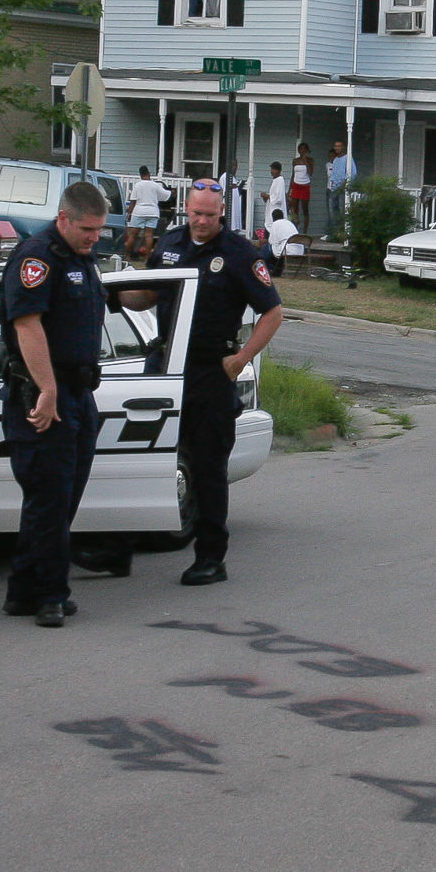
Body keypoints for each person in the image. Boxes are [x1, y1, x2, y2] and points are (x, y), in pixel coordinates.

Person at [115, 183, 283, 585]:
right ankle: (114, 548)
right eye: (196, 214)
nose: (202, 222)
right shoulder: (172, 244)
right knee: (142, 456)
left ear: (222, 212)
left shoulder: (239, 254)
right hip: (165, 363)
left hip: (210, 370)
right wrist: (116, 293)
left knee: (207, 466)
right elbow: (149, 295)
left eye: (210, 215)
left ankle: (210, 557)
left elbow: (272, 312)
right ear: (186, 210)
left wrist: (241, 360)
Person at [0, 181, 110, 628]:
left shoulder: (81, 258)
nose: (94, 237)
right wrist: (47, 390)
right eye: (87, 228)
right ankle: (50, 595)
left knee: (62, 498)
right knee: (49, 497)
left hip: (80, 394)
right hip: (48, 393)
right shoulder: (36, 257)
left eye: (99, 230)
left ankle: (23, 589)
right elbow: (28, 325)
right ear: (63, 218)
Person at [127, 165, 169, 262]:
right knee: (149, 235)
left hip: (139, 211)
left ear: (140, 175)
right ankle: (147, 258)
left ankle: (128, 256)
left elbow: (133, 201)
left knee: (133, 235)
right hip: (153, 212)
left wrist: (129, 214)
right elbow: (166, 195)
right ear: (149, 173)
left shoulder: (137, 185)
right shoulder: (155, 185)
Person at [327, 139, 357, 241]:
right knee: (332, 213)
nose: (337, 148)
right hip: (334, 189)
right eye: (336, 146)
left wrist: (344, 185)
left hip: (343, 190)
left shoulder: (348, 158)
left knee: (342, 212)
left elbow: (352, 173)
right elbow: (334, 174)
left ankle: (343, 235)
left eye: (339, 146)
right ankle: (335, 235)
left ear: (343, 147)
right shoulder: (335, 160)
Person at [264, 208, 296, 277]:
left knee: (266, 248)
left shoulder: (276, 224)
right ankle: (277, 271)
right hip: (299, 250)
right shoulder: (289, 223)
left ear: (273, 218)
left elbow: (271, 241)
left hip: (287, 249)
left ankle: (267, 270)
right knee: (278, 249)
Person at [290, 142, 314, 233]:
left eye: (304, 149)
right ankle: (295, 229)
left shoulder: (310, 160)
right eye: (301, 149)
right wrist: (290, 190)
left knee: (305, 209)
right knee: (294, 209)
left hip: (305, 186)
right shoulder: (295, 161)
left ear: (307, 150)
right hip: (296, 185)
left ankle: (305, 231)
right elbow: (293, 175)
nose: (303, 151)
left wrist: (305, 161)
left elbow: (310, 173)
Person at [261, 161, 288, 228]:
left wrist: (267, 196)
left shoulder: (280, 180)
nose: (273, 171)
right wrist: (265, 197)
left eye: (275, 169)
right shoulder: (275, 180)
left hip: (277, 208)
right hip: (271, 207)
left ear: (279, 171)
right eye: (272, 169)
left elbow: (278, 197)